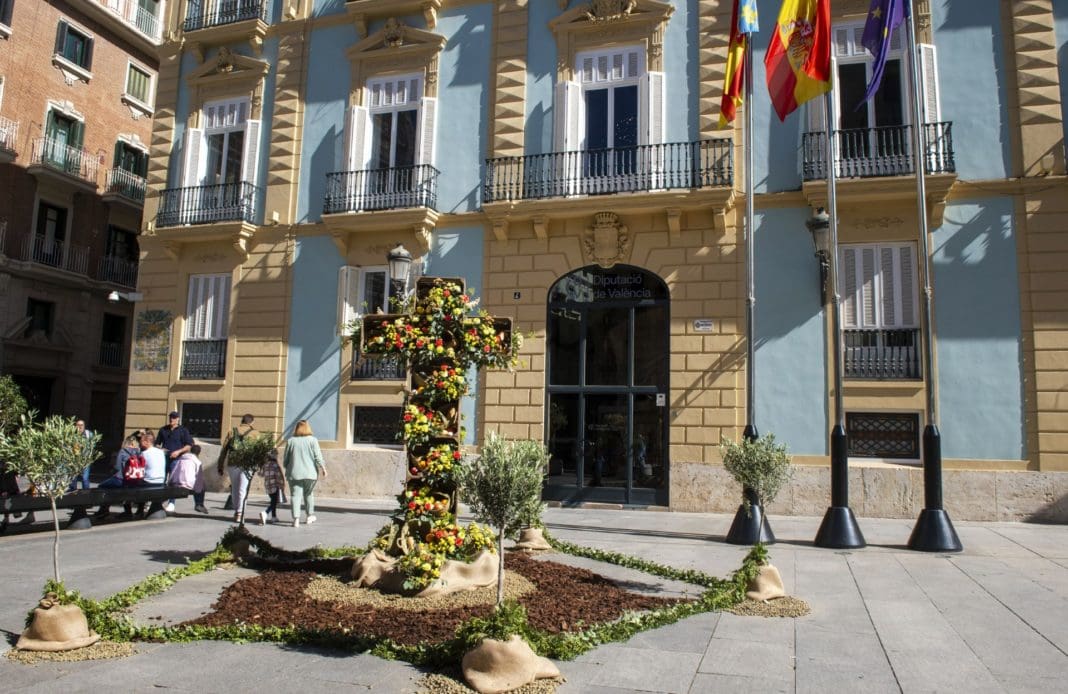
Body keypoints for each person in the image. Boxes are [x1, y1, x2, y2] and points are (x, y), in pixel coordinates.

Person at [283, 419, 326, 528]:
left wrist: (286, 466)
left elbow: (286, 459)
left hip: (294, 473)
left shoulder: (291, 441)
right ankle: (309, 516)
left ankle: (296, 519)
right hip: (310, 473)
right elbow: (318, 456)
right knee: (309, 494)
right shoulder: (313, 440)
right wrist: (323, 468)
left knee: (295, 496)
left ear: (296, 428)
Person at [218, 414, 255, 524]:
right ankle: (240, 513)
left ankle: (237, 511)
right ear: (252, 422)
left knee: (235, 488)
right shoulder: (255, 433)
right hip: (247, 464)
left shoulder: (232, 432)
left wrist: (220, 465)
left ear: (242, 420)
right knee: (243, 489)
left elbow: (224, 450)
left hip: (233, 463)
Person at [98, 431, 145, 519]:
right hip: (136, 481)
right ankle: (127, 512)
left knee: (102, 486)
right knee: (125, 491)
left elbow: (117, 467)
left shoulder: (123, 451)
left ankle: (104, 510)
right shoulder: (139, 452)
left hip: (122, 479)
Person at [156, 410, 193, 512]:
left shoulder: (183, 430)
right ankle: (159, 501)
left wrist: (178, 452)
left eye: (174, 417)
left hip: (176, 459)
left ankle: (171, 503)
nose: (172, 419)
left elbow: (189, 445)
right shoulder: (163, 430)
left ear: (178, 419)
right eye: (171, 417)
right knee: (162, 479)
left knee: (173, 481)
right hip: (164, 458)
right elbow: (157, 444)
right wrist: (161, 449)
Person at [168, 444, 207, 514]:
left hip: (176, 482)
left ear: (191, 451)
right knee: (202, 485)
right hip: (188, 484)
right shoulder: (197, 462)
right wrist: (198, 489)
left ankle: (170, 503)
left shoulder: (181, 459)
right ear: (199, 453)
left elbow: (174, 471)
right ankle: (199, 504)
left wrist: (170, 482)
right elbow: (199, 478)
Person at [67, 419, 94, 491]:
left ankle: (86, 493)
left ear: (84, 426)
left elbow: (93, 446)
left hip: (85, 460)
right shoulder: (72, 434)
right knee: (73, 478)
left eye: (81, 425)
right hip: (75, 460)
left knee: (85, 478)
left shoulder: (89, 434)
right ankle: (72, 493)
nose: (80, 427)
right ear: (75, 426)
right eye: (78, 425)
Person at [258, 449, 284, 525]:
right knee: (274, 502)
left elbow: (261, 474)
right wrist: (282, 484)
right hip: (275, 486)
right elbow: (278, 476)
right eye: (276, 454)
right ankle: (265, 513)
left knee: (273, 501)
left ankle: (274, 517)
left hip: (267, 486)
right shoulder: (275, 465)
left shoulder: (265, 465)